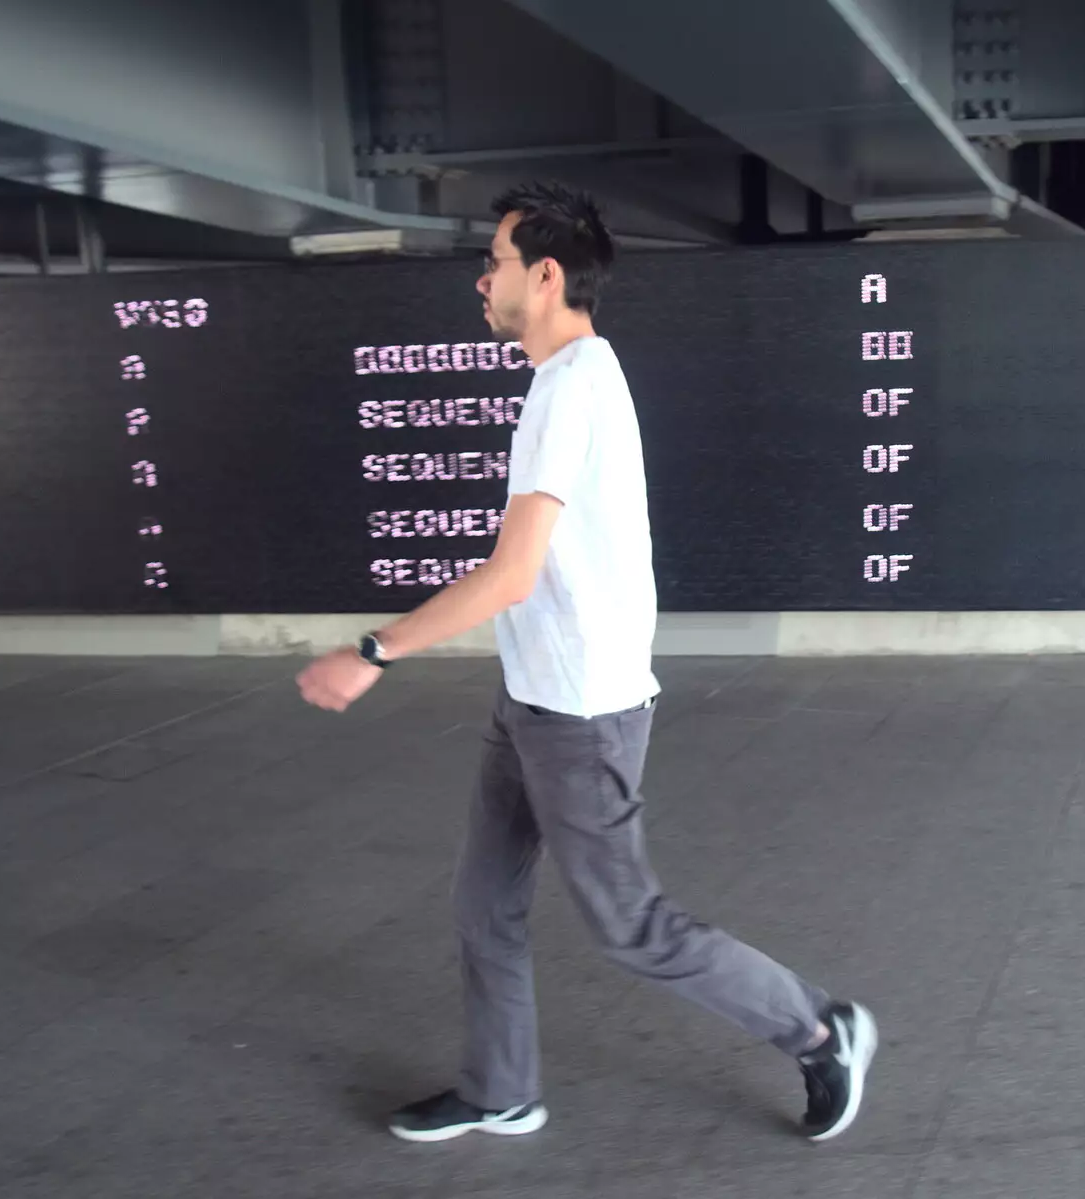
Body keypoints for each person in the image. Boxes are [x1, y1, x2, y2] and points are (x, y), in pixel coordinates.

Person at [296, 181, 877, 1145]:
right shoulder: (562, 383)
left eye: (496, 262)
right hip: (531, 696)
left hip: (581, 712)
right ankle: (500, 1088)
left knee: (629, 923)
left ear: (548, 274)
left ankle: (819, 1027)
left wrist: (373, 651)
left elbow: (511, 574)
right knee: (485, 901)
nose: (482, 280)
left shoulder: (573, 388)